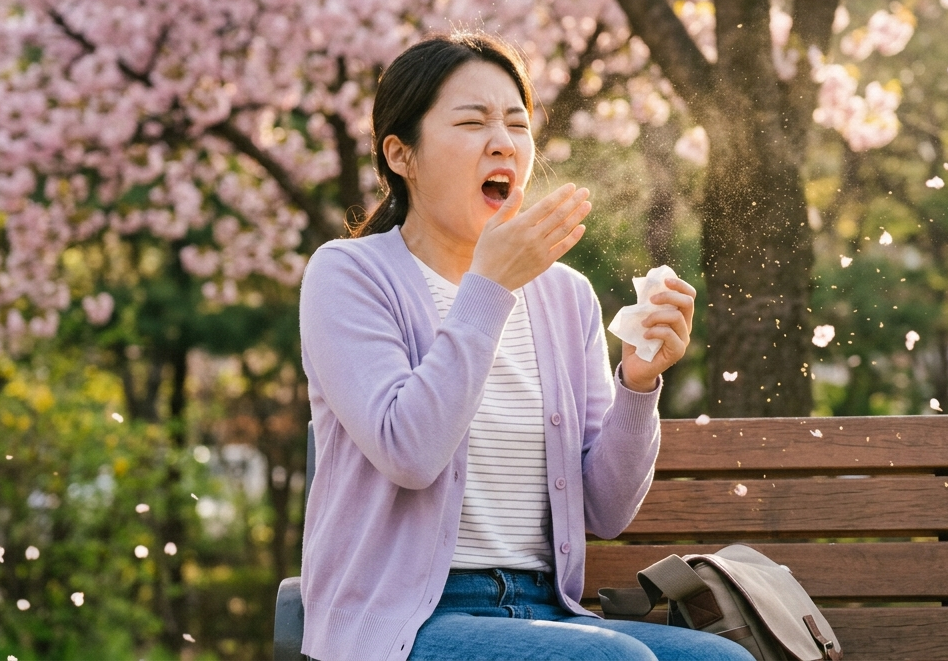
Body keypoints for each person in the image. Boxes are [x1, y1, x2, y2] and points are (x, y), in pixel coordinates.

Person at [297, 32, 754, 661]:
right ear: (401, 154)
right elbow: (409, 451)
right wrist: (488, 287)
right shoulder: (347, 275)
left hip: (545, 610)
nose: (503, 141)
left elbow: (606, 509)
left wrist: (638, 385)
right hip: (400, 621)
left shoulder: (565, 296)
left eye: (517, 122)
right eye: (472, 121)